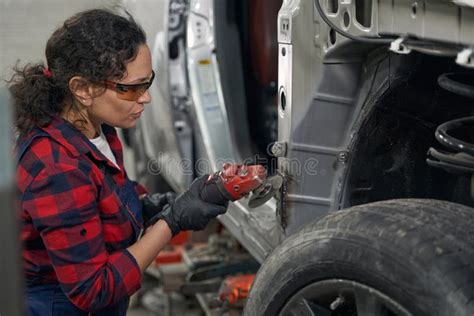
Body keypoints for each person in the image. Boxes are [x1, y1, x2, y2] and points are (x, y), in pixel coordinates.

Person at [9, 8, 228, 315]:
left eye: (147, 82)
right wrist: (171, 222)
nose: (146, 98)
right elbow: (94, 289)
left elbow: (104, 194)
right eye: (131, 88)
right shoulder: (56, 167)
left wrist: (154, 204)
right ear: (83, 88)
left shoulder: (97, 128)